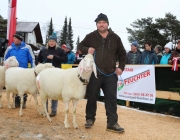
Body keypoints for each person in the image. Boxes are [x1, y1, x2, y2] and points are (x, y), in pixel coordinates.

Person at [78, 13, 126, 133]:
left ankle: (112, 123)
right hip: (95, 74)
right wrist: (86, 50)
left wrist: (121, 67)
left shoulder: (115, 37)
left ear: (107, 24)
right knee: (91, 97)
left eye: (103, 22)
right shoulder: (91, 36)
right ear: (96, 25)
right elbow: (80, 46)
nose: (101, 24)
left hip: (110, 74)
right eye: (99, 23)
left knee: (111, 99)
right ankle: (89, 119)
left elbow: (122, 53)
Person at [37, 32, 68, 116]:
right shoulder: (43, 50)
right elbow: (38, 59)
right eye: (50, 41)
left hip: (56, 75)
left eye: (53, 41)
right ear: (48, 42)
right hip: (44, 75)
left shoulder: (60, 50)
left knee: (55, 91)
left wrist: (54, 57)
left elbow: (65, 59)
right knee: (44, 91)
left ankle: (54, 110)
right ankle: (45, 109)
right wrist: (39, 63)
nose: (51, 42)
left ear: (56, 42)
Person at [4, 32, 35, 108]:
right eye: (13, 38)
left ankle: (23, 101)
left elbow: (32, 58)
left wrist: (33, 68)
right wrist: (6, 66)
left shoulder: (27, 47)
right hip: (13, 72)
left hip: (23, 71)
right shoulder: (10, 48)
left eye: (15, 38)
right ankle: (16, 102)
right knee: (15, 86)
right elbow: (5, 58)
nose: (14, 39)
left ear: (20, 39)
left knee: (23, 86)